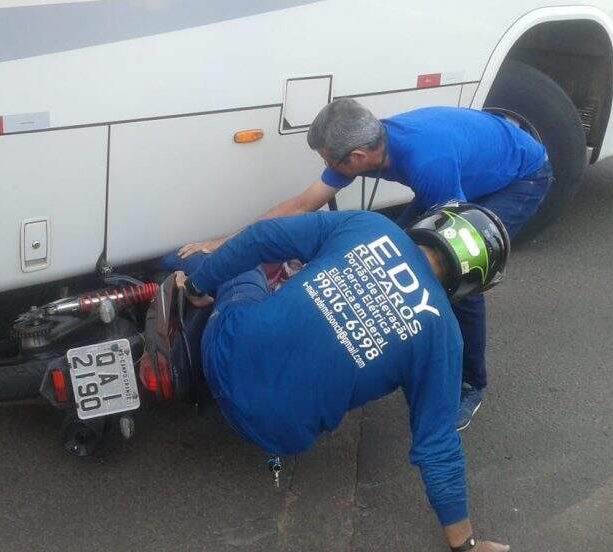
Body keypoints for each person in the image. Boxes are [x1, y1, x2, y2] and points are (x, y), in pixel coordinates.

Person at [150, 203, 510, 551]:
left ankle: (161, 269)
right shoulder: (443, 335)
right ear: (470, 283)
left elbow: (262, 237)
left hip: (223, 356)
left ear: (434, 222)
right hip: (278, 434)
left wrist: (199, 286)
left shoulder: (370, 227)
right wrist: (464, 545)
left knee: (240, 269)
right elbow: (438, 446)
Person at [180, 99, 553, 430]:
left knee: (458, 274)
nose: (326, 167)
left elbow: (455, 243)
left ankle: (470, 384)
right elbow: (300, 207)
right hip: (467, 168)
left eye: (328, 160)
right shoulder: (368, 146)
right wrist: (223, 242)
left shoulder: (427, 161)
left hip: (519, 177)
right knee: (393, 248)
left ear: (358, 157)